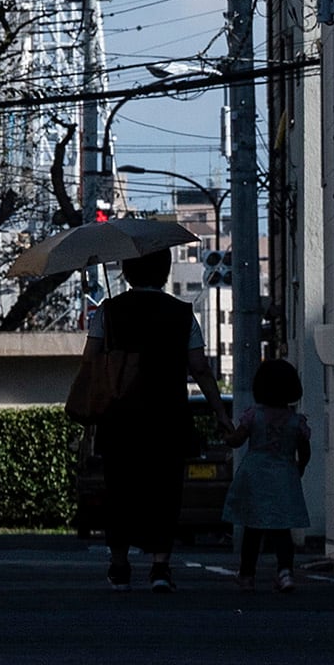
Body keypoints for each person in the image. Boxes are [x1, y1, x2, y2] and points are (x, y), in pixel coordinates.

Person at [85, 248, 220, 588]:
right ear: (164, 272)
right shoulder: (182, 313)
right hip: (167, 416)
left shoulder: (108, 313)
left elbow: (90, 360)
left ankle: (119, 565)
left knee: (119, 490)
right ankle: (161, 566)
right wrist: (220, 412)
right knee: (165, 490)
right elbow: (200, 367)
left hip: (120, 417)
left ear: (127, 273)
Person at [223, 354, 312, 592]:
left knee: (253, 528)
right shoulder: (296, 420)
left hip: (256, 475)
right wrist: (300, 466)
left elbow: (236, 440)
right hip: (284, 473)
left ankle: (247, 575)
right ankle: (285, 572)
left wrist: (226, 433)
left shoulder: (253, 416)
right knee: (282, 528)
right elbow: (304, 450)